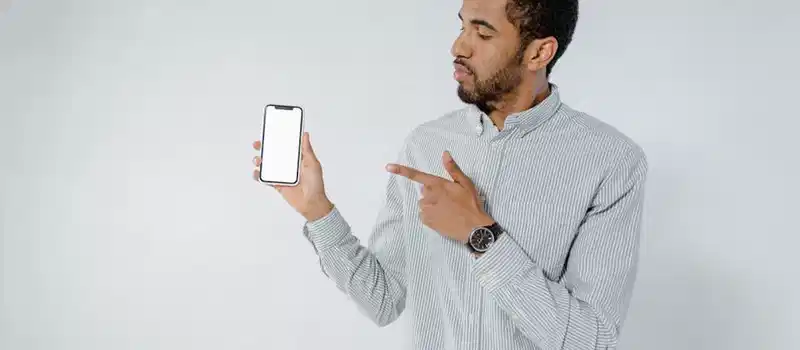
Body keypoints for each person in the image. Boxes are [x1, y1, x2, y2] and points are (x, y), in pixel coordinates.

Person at [252, 0, 648, 348]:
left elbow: (591, 339)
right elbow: (383, 300)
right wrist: (318, 212)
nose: (458, 47)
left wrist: (483, 237)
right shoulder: (425, 145)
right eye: (462, 26)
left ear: (539, 52)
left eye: (483, 33)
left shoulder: (610, 161)